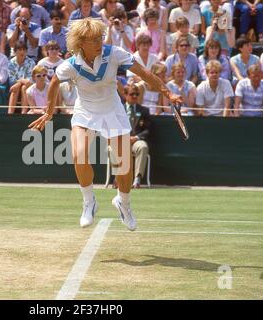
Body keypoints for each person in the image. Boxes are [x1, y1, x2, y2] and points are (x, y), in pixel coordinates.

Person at [28, 18, 182, 231]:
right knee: (78, 154)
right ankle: (89, 201)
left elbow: (144, 73)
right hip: (85, 111)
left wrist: (168, 92)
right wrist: (49, 111)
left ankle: (123, 202)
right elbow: (54, 82)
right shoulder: (71, 65)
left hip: (112, 110)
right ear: (81, 42)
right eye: (93, 40)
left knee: (124, 165)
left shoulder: (114, 53)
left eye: (100, 37)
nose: (99, 42)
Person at [123, 83, 151, 189]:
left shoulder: (144, 110)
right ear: (125, 95)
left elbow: (148, 130)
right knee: (115, 145)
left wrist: (136, 138)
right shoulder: (118, 109)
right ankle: (118, 178)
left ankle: (137, 179)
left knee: (143, 146)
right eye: (132, 94)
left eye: (137, 94)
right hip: (121, 139)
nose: (135, 96)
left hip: (136, 140)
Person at [8, 40, 35, 114]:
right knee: (15, 89)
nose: (22, 52)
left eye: (24, 50)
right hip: (14, 87)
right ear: (15, 51)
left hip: (27, 86)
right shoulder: (10, 63)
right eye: (19, 50)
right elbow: (11, 79)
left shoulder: (31, 62)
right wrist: (20, 83)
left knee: (24, 87)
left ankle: (23, 113)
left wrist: (19, 83)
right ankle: (10, 114)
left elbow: (30, 80)